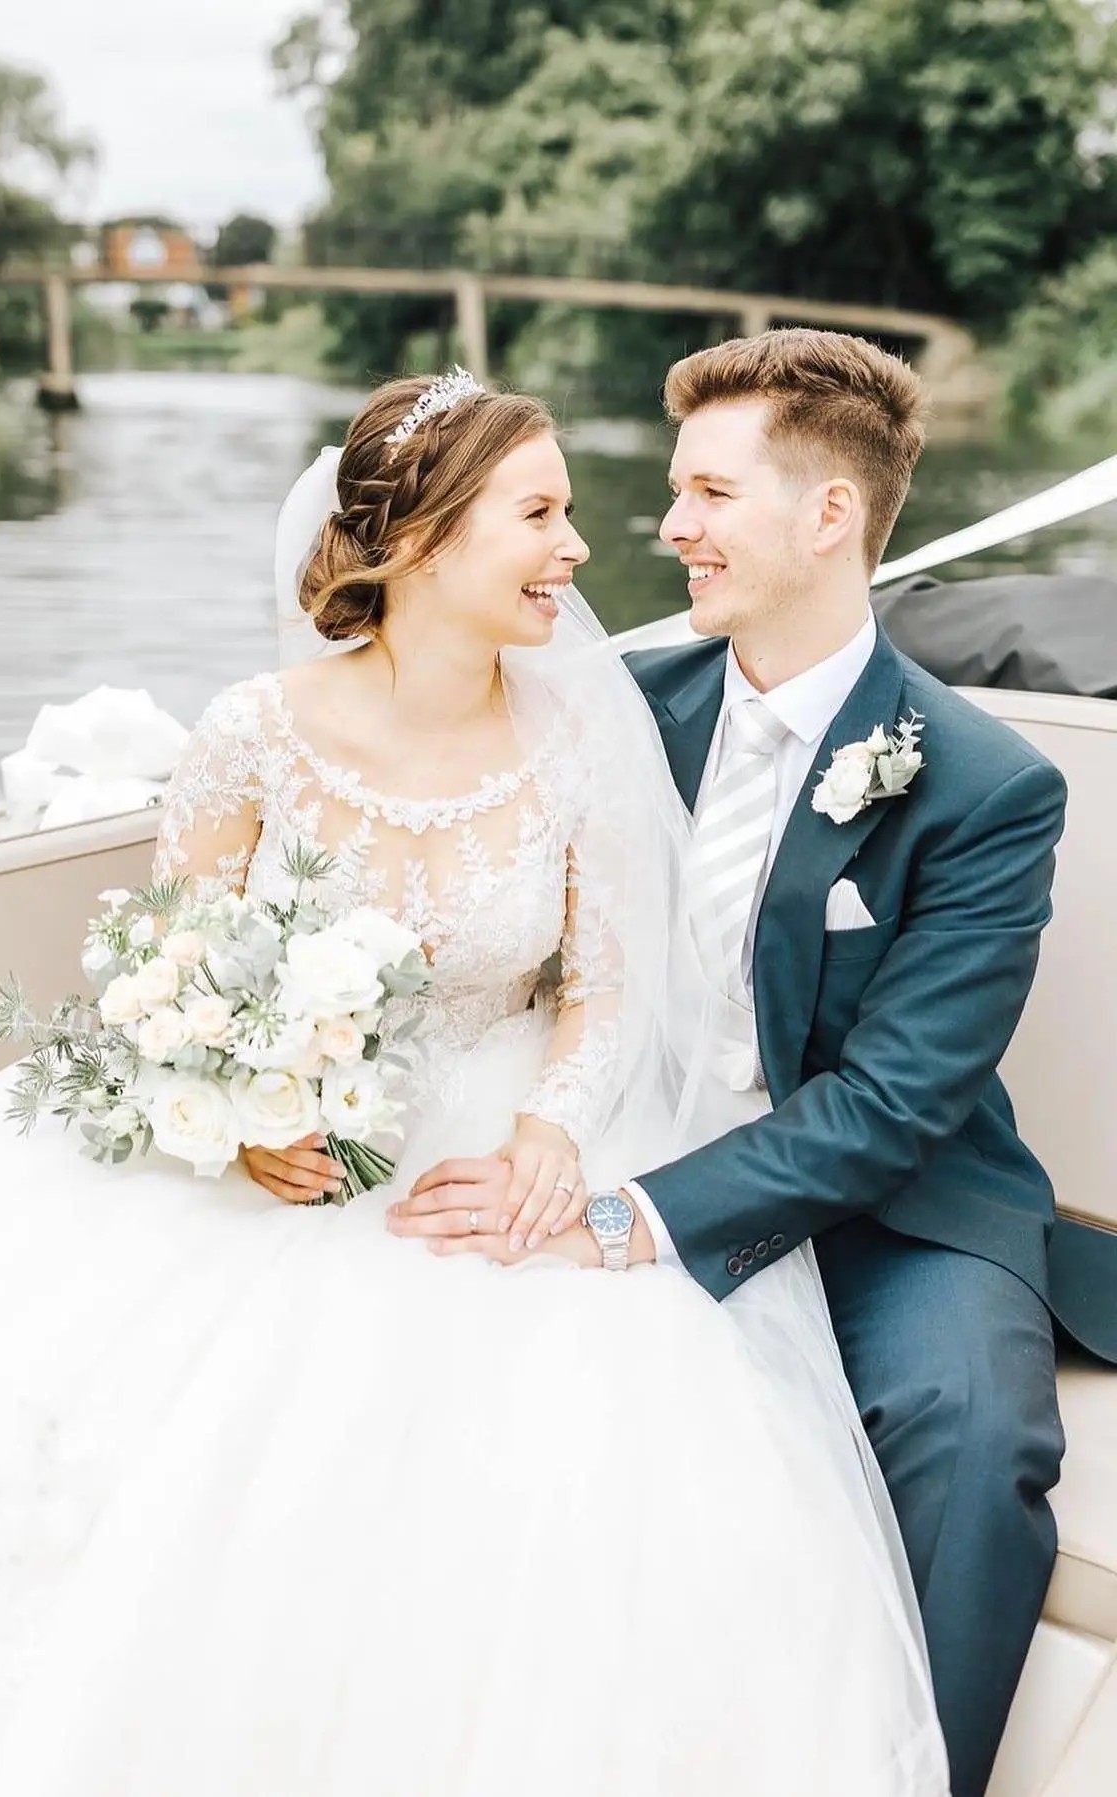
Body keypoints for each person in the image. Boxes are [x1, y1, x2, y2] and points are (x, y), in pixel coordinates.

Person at [0, 369, 948, 1796]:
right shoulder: (251, 732)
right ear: (421, 539)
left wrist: (548, 1131)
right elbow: (168, 976)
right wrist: (227, 1119)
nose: (582, 547)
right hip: (261, 1163)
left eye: (574, 510)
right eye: (540, 513)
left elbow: (602, 986)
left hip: (487, 1136)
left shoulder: (586, 732)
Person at [392, 331, 1070, 1797]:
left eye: (707, 492)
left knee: (972, 1435)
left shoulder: (985, 786)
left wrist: (625, 1222)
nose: (670, 528)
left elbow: (895, 1104)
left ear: (828, 517)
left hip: (897, 1209)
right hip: (631, 1132)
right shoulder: (624, 704)